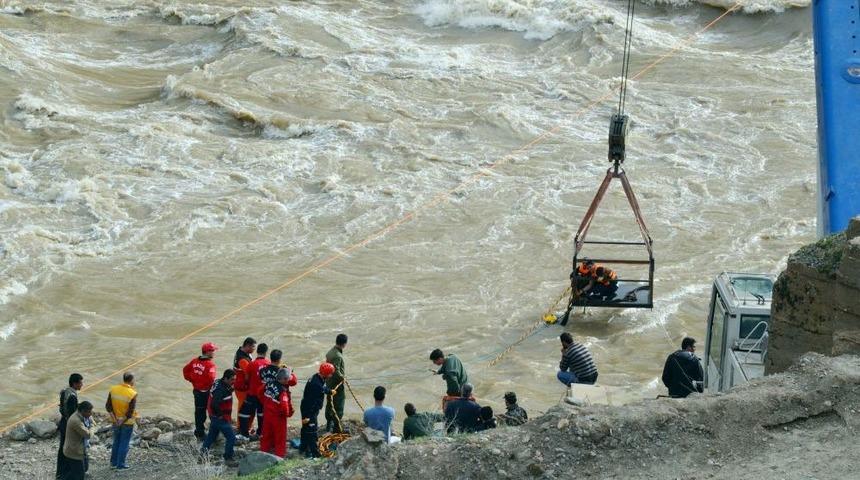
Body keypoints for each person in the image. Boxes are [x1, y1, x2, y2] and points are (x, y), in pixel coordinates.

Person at [201, 370, 238, 467]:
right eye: (232, 380)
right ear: (225, 378)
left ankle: (202, 456)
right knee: (231, 438)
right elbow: (214, 404)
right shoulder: (220, 390)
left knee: (211, 436)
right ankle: (228, 458)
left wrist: (230, 389)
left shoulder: (218, 382)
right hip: (220, 418)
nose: (234, 382)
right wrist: (221, 416)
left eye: (235, 379)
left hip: (214, 417)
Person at [182, 342, 218, 440]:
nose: (214, 353)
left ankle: (199, 431)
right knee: (212, 412)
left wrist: (191, 379)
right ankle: (214, 433)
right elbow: (211, 379)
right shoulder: (210, 365)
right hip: (207, 392)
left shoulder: (194, 361)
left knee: (199, 411)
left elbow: (185, 370)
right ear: (207, 352)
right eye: (213, 351)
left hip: (197, 391)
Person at [260, 368, 297, 458]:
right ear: (284, 379)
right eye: (288, 379)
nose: (289, 380)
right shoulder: (282, 391)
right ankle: (279, 457)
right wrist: (287, 414)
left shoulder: (269, 383)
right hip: (278, 417)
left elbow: (260, 392)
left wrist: (265, 404)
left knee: (266, 435)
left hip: (267, 414)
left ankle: (263, 453)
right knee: (280, 438)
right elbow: (285, 408)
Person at [299, 362, 334, 458]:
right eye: (330, 374)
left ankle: (303, 447)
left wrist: (330, 391)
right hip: (309, 410)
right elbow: (313, 400)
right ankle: (314, 453)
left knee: (305, 428)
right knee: (312, 431)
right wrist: (308, 417)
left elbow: (323, 388)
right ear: (326, 373)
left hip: (307, 407)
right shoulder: (316, 384)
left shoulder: (317, 377)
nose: (331, 376)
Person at [106, 372, 138, 470]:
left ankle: (113, 463)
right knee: (124, 443)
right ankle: (120, 465)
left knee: (116, 441)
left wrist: (115, 420)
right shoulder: (132, 393)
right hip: (127, 422)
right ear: (131, 380)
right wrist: (122, 421)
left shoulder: (113, 389)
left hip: (115, 421)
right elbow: (130, 412)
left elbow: (108, 406)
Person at [239, 342, 269, 439]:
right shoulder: (268, 363)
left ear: (257, 351)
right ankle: (260, 433)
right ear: (265, 352)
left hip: (252, 393)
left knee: (243, 413)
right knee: (261, 414)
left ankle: (244, 433)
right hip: (264, 395)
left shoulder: (252, 364)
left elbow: (247, 378)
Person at [56, 373, 83, 479]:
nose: (82, 385)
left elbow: (63, 407)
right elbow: (72, 415)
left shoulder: (65, 391)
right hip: (68, 425)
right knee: (68, 449)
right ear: (75, 383)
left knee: (62, 448)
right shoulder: (72, 396)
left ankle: (60, 472)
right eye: (80, 382)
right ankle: (67, 474)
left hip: (63, 422)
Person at [60, 401, 93, 480]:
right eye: (89, 412)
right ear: (82, 411)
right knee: (79, 476)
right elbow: (88, 434)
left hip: (79, 449)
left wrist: (91, 423)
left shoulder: (84, 416)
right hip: (74, 452)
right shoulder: (76, 421)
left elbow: (92, 420)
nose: (91, 414)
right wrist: (92, 427)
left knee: (84, 468)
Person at [324, 333, 347, 433]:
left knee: (329, 403)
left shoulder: (330, 352)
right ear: (344, 344)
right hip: (336, 385)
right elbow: (336, 371)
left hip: (329, 383)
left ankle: (328, 424)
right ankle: (337, 428)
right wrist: (343, 378)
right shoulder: (338, 356)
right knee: (339, 404)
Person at [232, 337, 256, 424]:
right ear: (247, 346)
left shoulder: (242, 352)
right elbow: (250, 373)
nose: (254, 349)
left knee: (242, 406)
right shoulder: (242, 359)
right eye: (253, 347)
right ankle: (240, 426)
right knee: (242, 407)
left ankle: (243, 425)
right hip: (242, 387)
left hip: (240, 385)